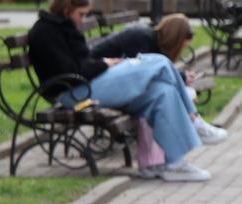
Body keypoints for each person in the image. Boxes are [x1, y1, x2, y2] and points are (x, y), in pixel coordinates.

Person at [27, 0, 222, 182]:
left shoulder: (63, 27)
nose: (82, 20)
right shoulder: (45, 31)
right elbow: (72, 72)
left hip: (83, 86)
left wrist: (102, 65)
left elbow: (80, 65)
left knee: (163, 92)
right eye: (81, 14)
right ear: (67, 7)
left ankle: (174, 164)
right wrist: (105, 64)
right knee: (160, 62)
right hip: (72, 93)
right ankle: (194, 120)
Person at [90, 13, 229, 168]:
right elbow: (140, 76)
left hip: (117, 85)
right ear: (175, 39)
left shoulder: (152, 41)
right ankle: (193, 124)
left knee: (168, 91)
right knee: (166, 93)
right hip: (101, 84)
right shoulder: (141, 38)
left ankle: (175, 155)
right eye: (182, 46)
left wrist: (181, 78)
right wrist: (181, 78)